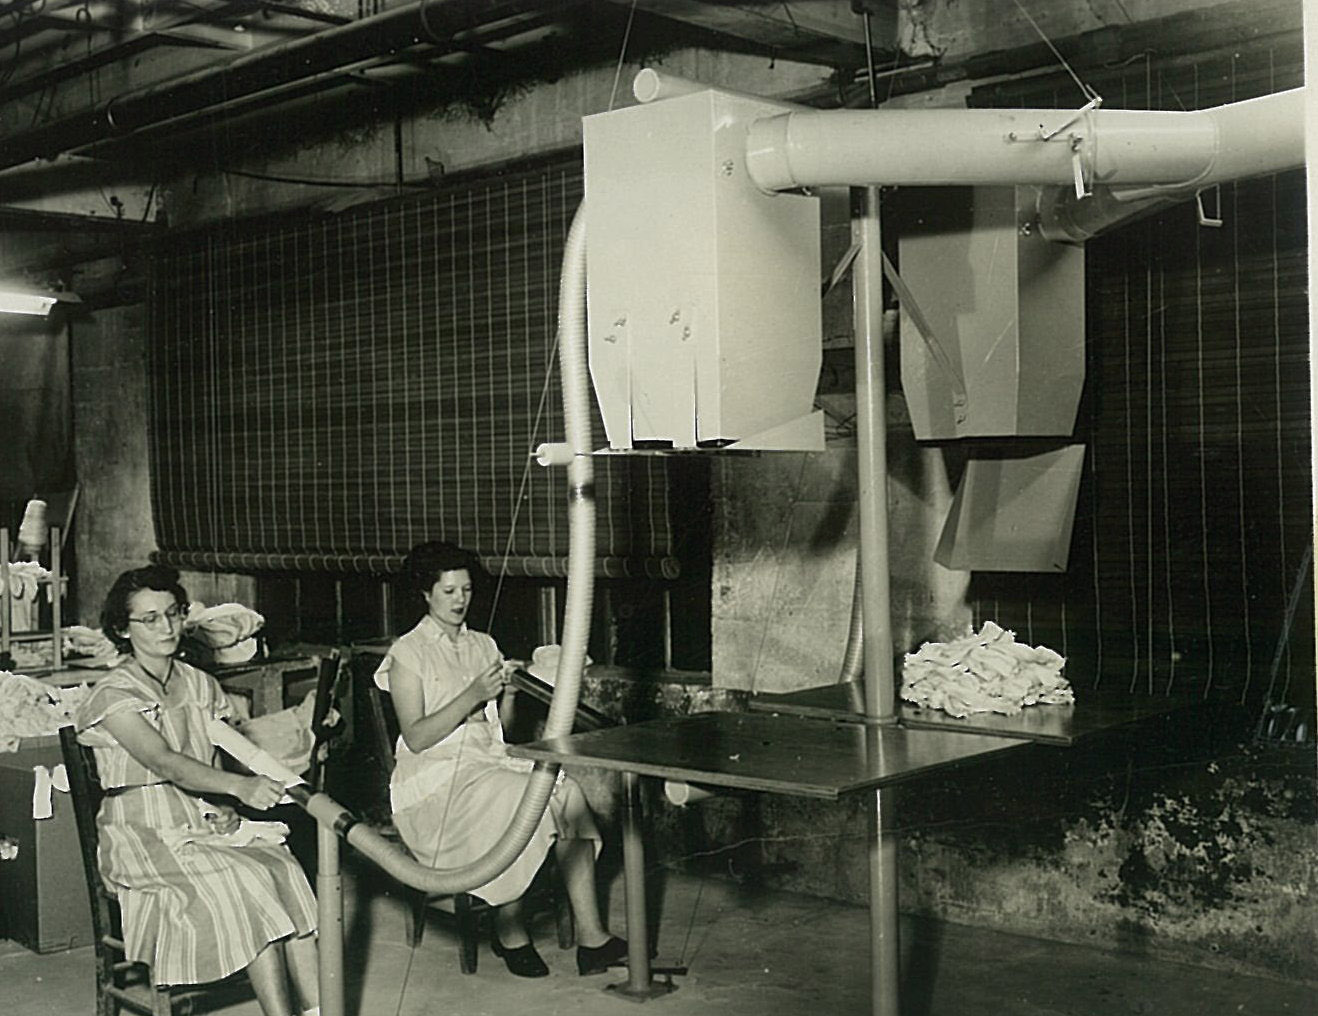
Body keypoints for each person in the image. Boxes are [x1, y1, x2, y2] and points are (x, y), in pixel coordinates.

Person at [375, 540, 626, 978]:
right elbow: (416, 737)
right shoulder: (408, 653)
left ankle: (592, 939)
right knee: (523, 800)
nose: (460, 600)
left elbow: (499, 731)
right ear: (425, 593)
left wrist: (506, 696)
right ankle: (510, 929)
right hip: (435, 778)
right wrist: (473, 694)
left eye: (466, 590)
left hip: (486, 760)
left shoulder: (483, 644)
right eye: (449, 591)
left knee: (567, 793)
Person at [76, 565, 319, 1016]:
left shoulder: (198, 683)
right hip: (140, 830)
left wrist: (224, 804)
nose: (166, 627)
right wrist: (240, 787)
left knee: (284, 867)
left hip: (196, 818)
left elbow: (212, 759)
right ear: (122, 629)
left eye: (173, 613)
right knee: (247, 881)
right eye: (149, 619)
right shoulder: (113, 694)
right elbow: (166, 763)